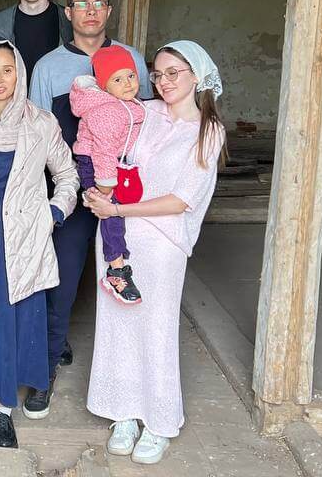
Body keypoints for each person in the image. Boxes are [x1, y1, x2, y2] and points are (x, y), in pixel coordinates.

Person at [84, 40, 228, 466]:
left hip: (162, 242)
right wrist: (96, 188)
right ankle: (124, 413)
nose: (163, 81)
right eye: (158, 74)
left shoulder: (208, 131)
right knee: (117, 324)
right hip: (117, 239)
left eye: (173, 73)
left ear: (196, 76)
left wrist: (117, 209)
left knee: (156, 328)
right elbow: (103, 140)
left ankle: (159, 422)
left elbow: (181, 199)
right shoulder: (143, 112)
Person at [23, 0, 151, 420]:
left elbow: (144, 123)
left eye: (99, 3)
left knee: (127, 274)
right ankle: (44, 371)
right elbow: (37, 134)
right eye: (82, 4)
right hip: (73, 186)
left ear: (109, 10)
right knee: (60, 279)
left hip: (123, 190)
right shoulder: (49, 67)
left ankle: (136, 378)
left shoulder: (132, 59)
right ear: (69, 12)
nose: (91, 11)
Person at [0, 41, 78, 454]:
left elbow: (68, 175)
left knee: (13, 324)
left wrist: (53, 213)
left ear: (19, 74)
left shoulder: (40, 123)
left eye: (7, 70)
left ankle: (5, 411)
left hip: (22, 244)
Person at [69, 45, 147, 304]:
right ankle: (116, 270)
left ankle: (92, 195)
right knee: (111, 212)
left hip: (111, 161)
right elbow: (102, 151)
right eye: (117, 79)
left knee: (119, 206)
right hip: (96, 164)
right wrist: (104, 187)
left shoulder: (127, 103)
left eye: (131, 76)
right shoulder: (107, 111)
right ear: (103, 86)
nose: (128, 83)